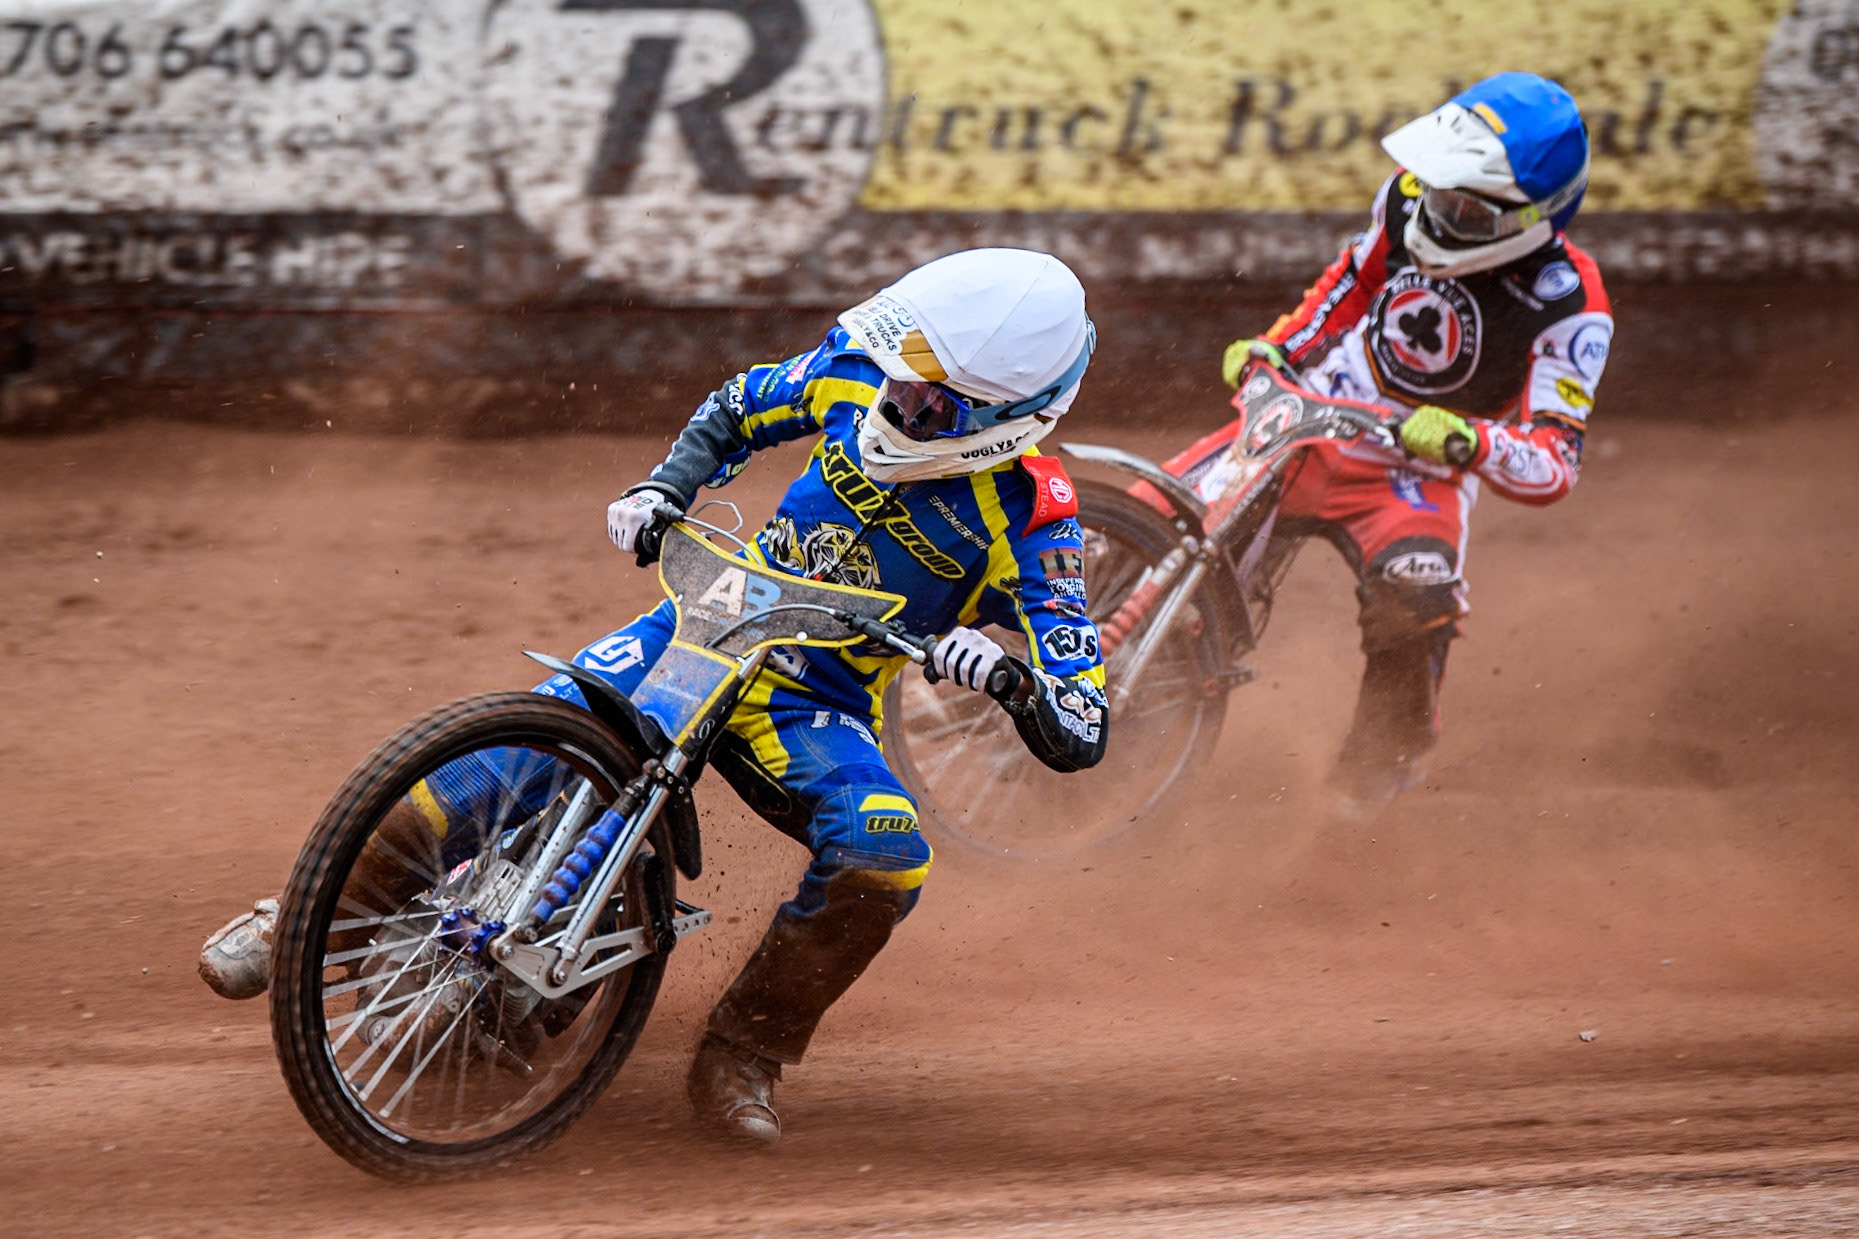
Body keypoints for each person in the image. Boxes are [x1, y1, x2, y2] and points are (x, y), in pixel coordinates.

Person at [198, 247, 1109, 1145]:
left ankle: (744, 1052)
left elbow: (1081, 723)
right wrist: (662, 486)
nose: (898, 399)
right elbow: (734, 409)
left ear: (1005, 420)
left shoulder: (1034, 521)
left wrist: (1005, 676)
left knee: (887, 856)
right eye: (901, 373)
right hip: (700, 625)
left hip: (810, 705)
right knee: (506, 758)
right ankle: (308, 919)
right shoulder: (856, 370)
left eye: (931, 398)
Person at [1206, 71, 1612, 806]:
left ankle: (1368, 786)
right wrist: (1277, 349)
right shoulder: (1407, 196)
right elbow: (1349, 285)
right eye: (1439, 191)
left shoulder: (1570, 303)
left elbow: (1555, 459)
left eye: (1466, 207)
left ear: (1529, 218)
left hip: (1415, 474)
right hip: (1312, 417)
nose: (1440, 211)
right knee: (1164, 526)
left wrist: (1467, 441)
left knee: (1417, 596)